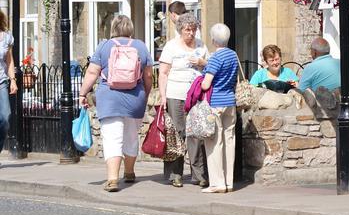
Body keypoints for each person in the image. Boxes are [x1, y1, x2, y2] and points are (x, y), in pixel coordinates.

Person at [79, 15, 153, 192]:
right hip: (135, 97)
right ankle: (129, 172)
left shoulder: (104, 46)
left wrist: (83, 93)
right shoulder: (140, 46)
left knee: (112, 137)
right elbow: (148, 75)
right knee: (131, 136)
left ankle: (112, 179)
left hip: (110, 98)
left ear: (113, 28)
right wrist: (145, 93)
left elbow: (92, 72)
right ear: (130, 28)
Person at [157, 12, 209, 188]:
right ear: (180, 30)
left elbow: (210, 68)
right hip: (176, 93)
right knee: (177, 133)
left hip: (195, 94)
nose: (191, 33)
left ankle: (199, 174)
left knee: (196, 133)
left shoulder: (201, 46)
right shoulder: (171, 46)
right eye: (188, 30)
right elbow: (163, 73)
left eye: (194, 29)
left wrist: (202, 62)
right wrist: (163, 96)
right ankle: (175, 174)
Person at [201, 23, 239, 193]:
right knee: (229, 141)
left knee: (215, 143)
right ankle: (229, 182)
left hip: (216, 102)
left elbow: (205, 84)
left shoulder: (216, 58)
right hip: (230, 102)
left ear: (214, 40)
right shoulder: (233, 55)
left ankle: (217, 183)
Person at [0, 10, 16, 158]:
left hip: (1, 82)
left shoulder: (6, 37)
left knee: (5, 117)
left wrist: (13, 80)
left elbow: (9, 61)